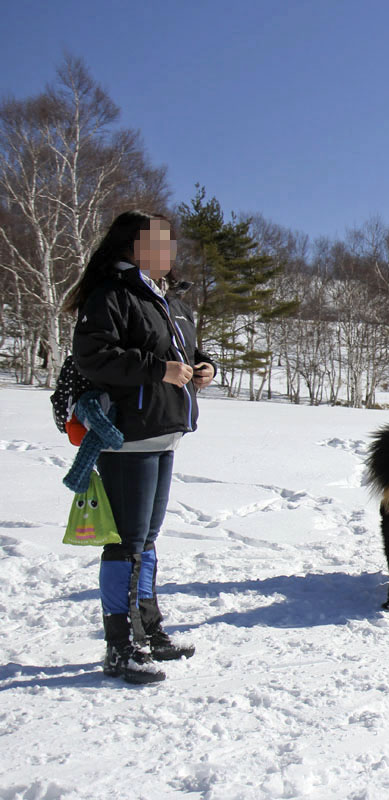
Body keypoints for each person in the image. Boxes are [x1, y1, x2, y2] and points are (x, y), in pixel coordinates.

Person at [63, 211, 216, 684]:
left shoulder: (168, 299)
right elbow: (94, 356)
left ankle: (148, 631)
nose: (169, 251)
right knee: (125, 543)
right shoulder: (112, 294)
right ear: (133, 247)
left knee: (145, 541)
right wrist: (159, 370)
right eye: (159, 243)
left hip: (164, 431)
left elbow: (186, 351)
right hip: (126, 436)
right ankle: (119, 645)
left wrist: (204, 365)